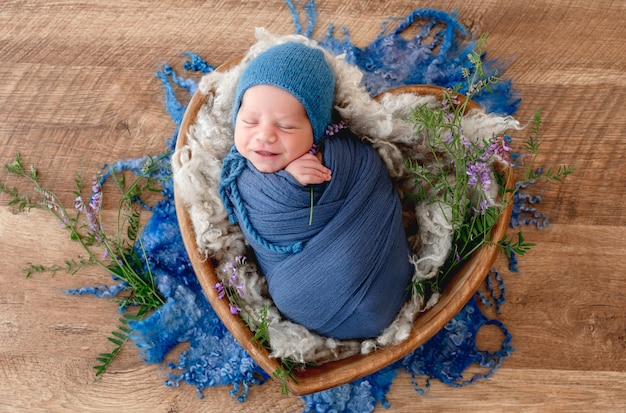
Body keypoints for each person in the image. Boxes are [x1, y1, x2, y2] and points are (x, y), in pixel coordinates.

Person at [219, 41, 414, 340]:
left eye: (285, 126)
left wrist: (307, 175)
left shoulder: (339, 154)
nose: (264, 136)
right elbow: (264, 220)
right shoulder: (240, 173)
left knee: (310, 286)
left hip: (374, 276)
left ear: (317, 129)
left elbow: (370, 179)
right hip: (301, 288)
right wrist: (287, 181)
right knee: (292, 291)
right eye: (249, 121)